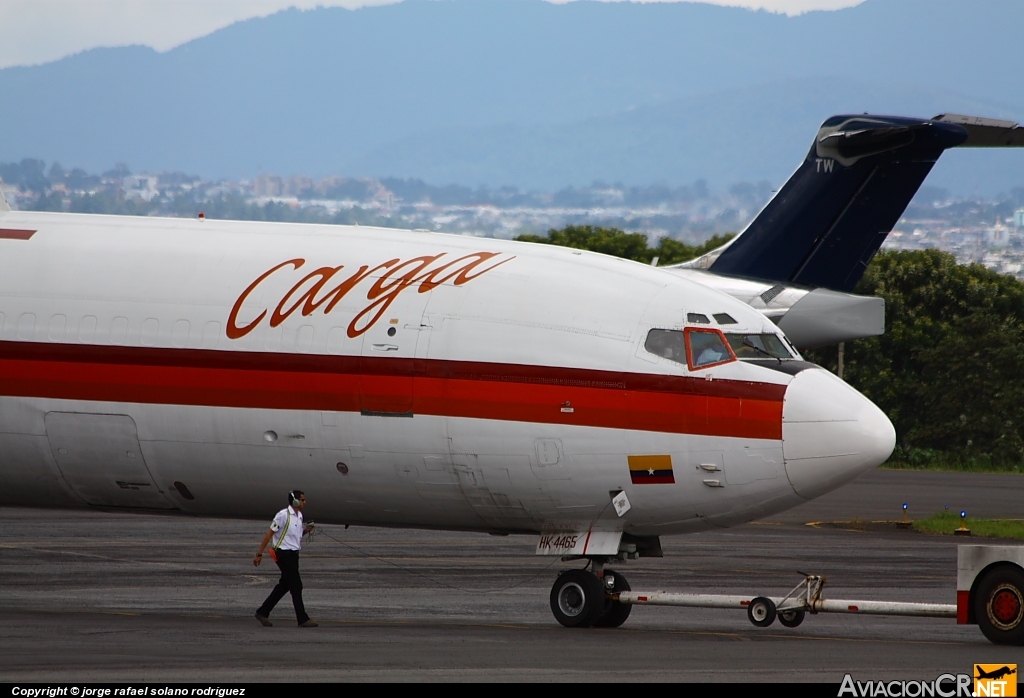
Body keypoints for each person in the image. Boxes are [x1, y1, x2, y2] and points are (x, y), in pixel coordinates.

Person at [253, 490, 317, 627]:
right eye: (302, 499)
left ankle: (263, 612)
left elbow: (296, 537)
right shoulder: (283, 515)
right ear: (295, 501)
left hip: (294, 554)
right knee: (296, 585)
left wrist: (306, 531)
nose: (305, 502)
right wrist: (259, 553)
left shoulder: (299, 516)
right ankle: (302, 618)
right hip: (284, 554)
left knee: (285, 585)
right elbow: (269, 534)